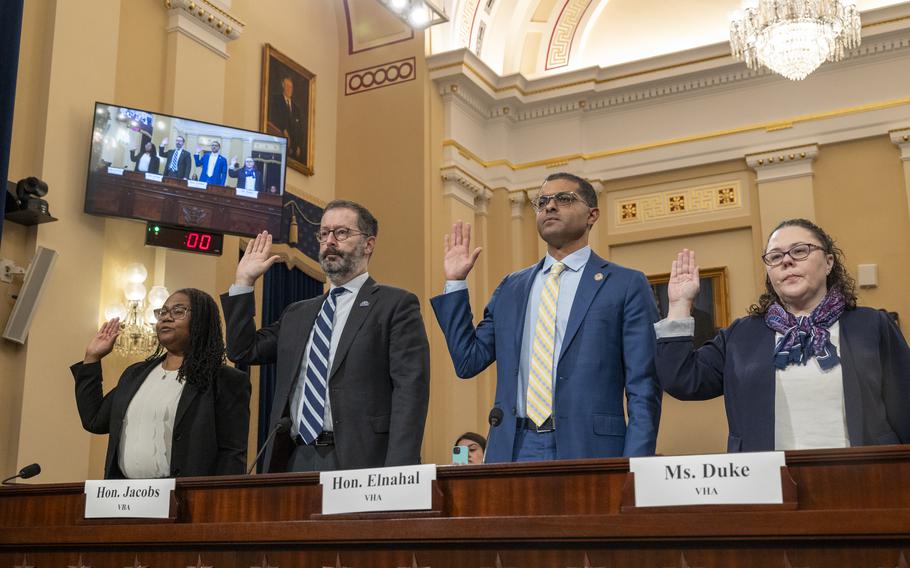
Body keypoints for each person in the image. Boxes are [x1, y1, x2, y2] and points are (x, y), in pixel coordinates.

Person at [431, 172, 662, 463]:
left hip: (591, 448)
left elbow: (644, 388)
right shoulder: (511, 287)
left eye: (564, 199)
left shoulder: (625, 284)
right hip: (514, 448)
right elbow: (468, 360)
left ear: (592, 215)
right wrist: (455, 283)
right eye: (542, 202)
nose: (549, 207)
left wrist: (635, 465)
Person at [656, 219, 910, 452]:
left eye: (800, 251)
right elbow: (682, 379)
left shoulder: (871, 325)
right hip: (770, 483)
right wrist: (679, 305)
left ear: (829, 262)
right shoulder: (742, 335)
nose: (786, 261)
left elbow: (904, 408)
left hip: (864, 479)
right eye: (775, 257)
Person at [221, 200, 430, 472]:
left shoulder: (395, 305)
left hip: (363, 461)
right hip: (295, 459)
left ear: (368, 244)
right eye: (324, 233)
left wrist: (399, 469)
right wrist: (244, 283)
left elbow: (410, 392)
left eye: (341, 233)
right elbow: (243, 350)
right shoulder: (297, 313)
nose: (329, 241)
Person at [71, 289, 251, 479]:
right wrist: (92, 358)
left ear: (202, 321)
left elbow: (232, 454)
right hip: (124, 497)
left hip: (185, 499)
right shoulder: (135, 374)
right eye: (163, 312)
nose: (166, 318)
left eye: (178, 311)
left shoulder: (224, 380)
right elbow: (94, 420)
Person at [269, 76, 305, 161]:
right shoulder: (276, 99)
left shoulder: (296, 108)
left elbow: (299, 129)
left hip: (293, 149)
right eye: (287, 86)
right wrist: (284, 130)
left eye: (291, 87)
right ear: (283, 86)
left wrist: (299, 146)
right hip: (279, 142)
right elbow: (274, 117)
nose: (289, 89)